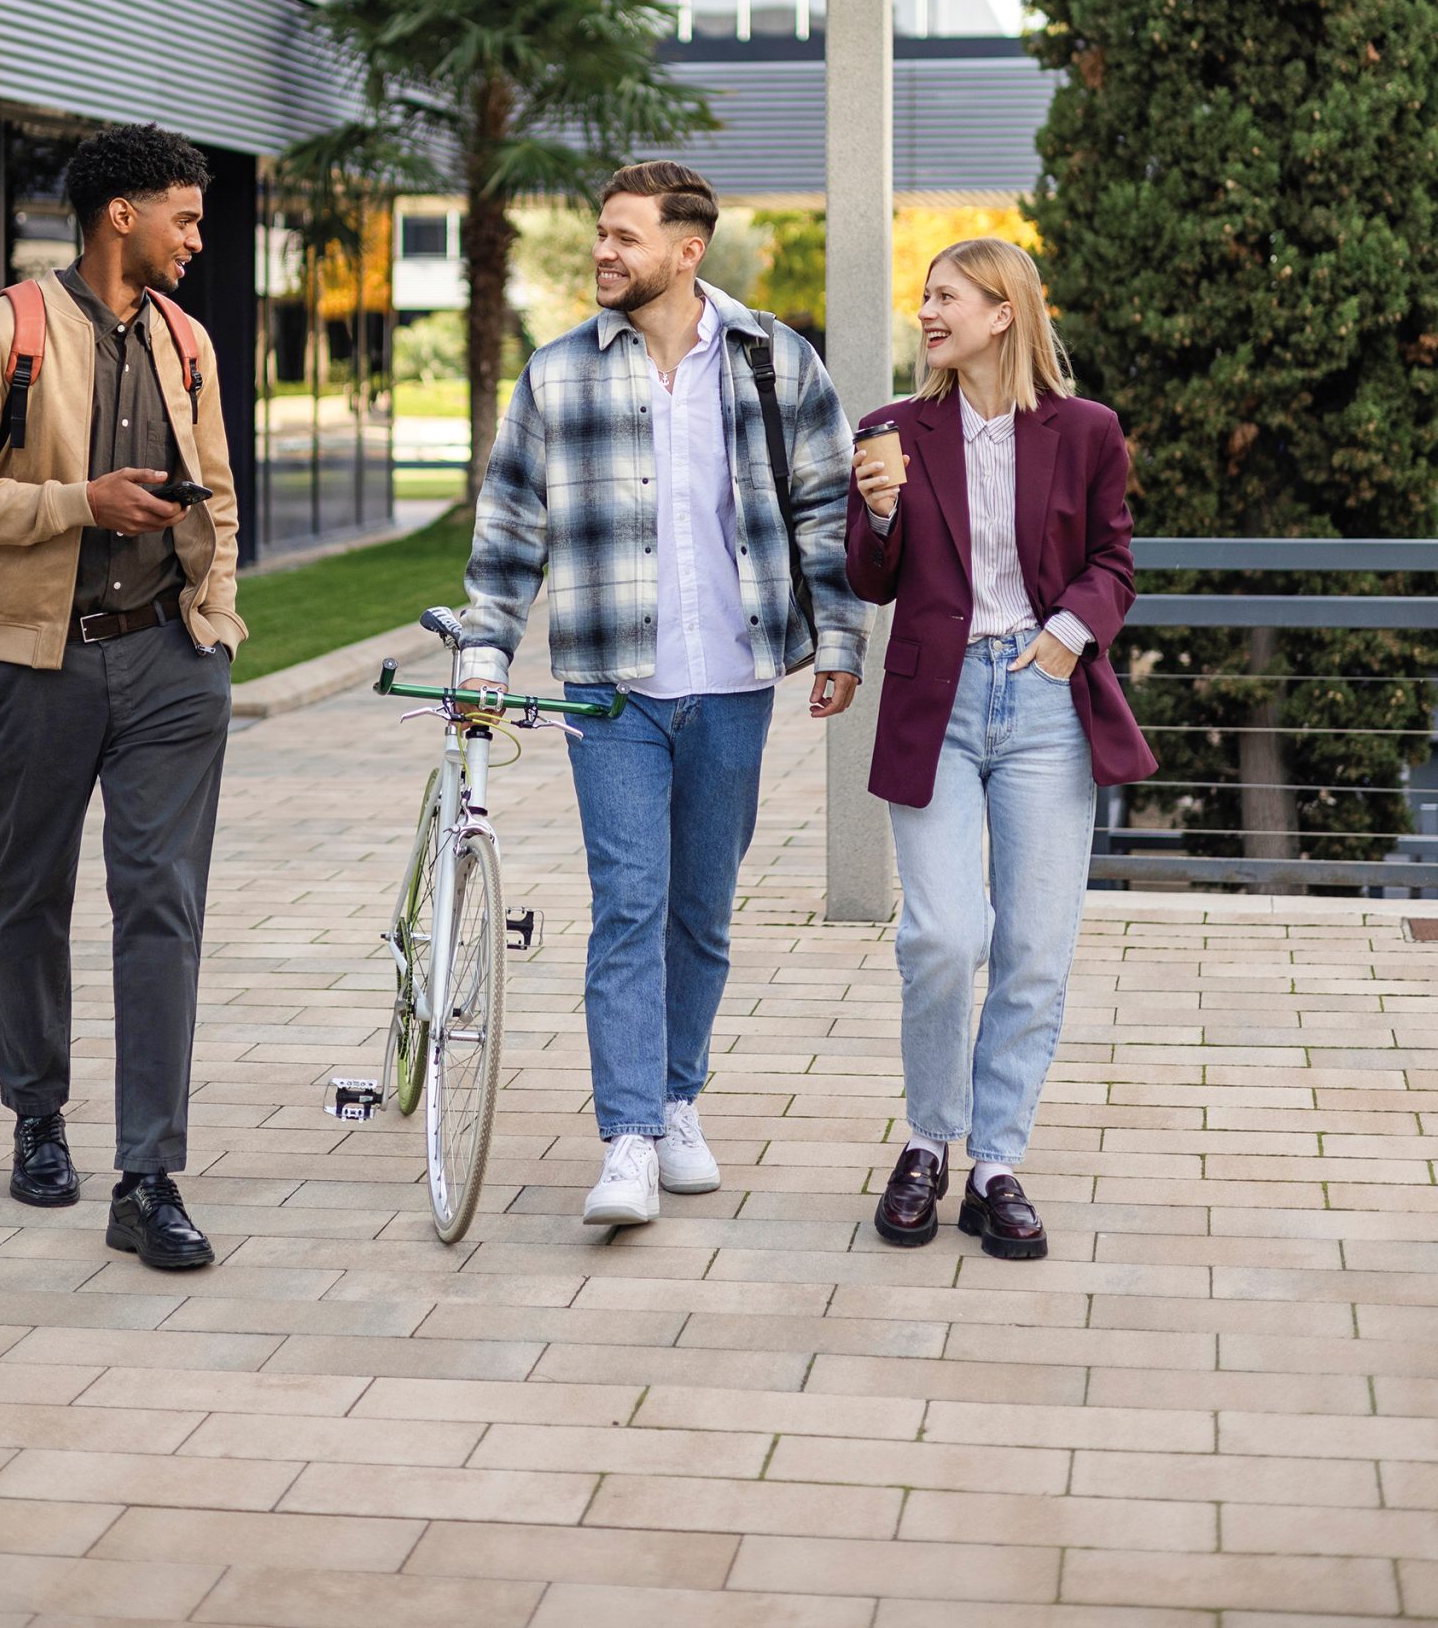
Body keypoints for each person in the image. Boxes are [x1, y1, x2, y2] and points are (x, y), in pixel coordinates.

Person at [458, 161, 868, 1227]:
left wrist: (840, 638)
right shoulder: (558, 373)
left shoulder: (776, 360)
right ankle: (629, 1137)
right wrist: (486, 650)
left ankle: (680, 1098)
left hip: (734, 683)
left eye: (625, 237)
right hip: (611, 689)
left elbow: (825, 508)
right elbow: (509, 528)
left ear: (688, 252)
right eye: (601, 233)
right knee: (628, 905)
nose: (603, 252)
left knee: (701, 912)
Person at [0, 123, 245, 1273]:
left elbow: (219, 497)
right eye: (184, 218)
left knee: (162, 905)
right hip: (37, 665)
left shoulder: (188, 342)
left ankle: (148, 1178)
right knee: (29, 890)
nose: (196, 239)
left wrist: (215, 620)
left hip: (170, 663)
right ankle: (37, 1114)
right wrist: (77, 503)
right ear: (121, 215)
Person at [845, 236, 1154, 1262]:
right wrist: (879, 510)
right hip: (934, 703)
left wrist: (1067, 635)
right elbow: (870, 578)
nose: (927, 312)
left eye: (947, 296)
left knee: (1033, 946)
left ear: (1002, 312)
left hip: (1044, 697)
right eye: (925, 296)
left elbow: (1113, 560)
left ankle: (994, 1165)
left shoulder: (1086, 429)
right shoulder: (893, 428)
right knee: (941, 935)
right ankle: (927, 1140)